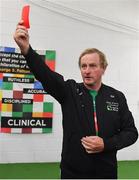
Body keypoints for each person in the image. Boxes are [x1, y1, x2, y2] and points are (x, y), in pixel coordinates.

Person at [14, 20, 138, 179]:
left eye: (92, 66)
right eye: (83, 66)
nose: (87, 71)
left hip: (106, 172)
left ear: (103, 68)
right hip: (73, 172)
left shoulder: (117, 96)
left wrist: (106, 144)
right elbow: (46, 75)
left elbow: (131, 133)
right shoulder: (70, 91)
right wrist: (26, 50)